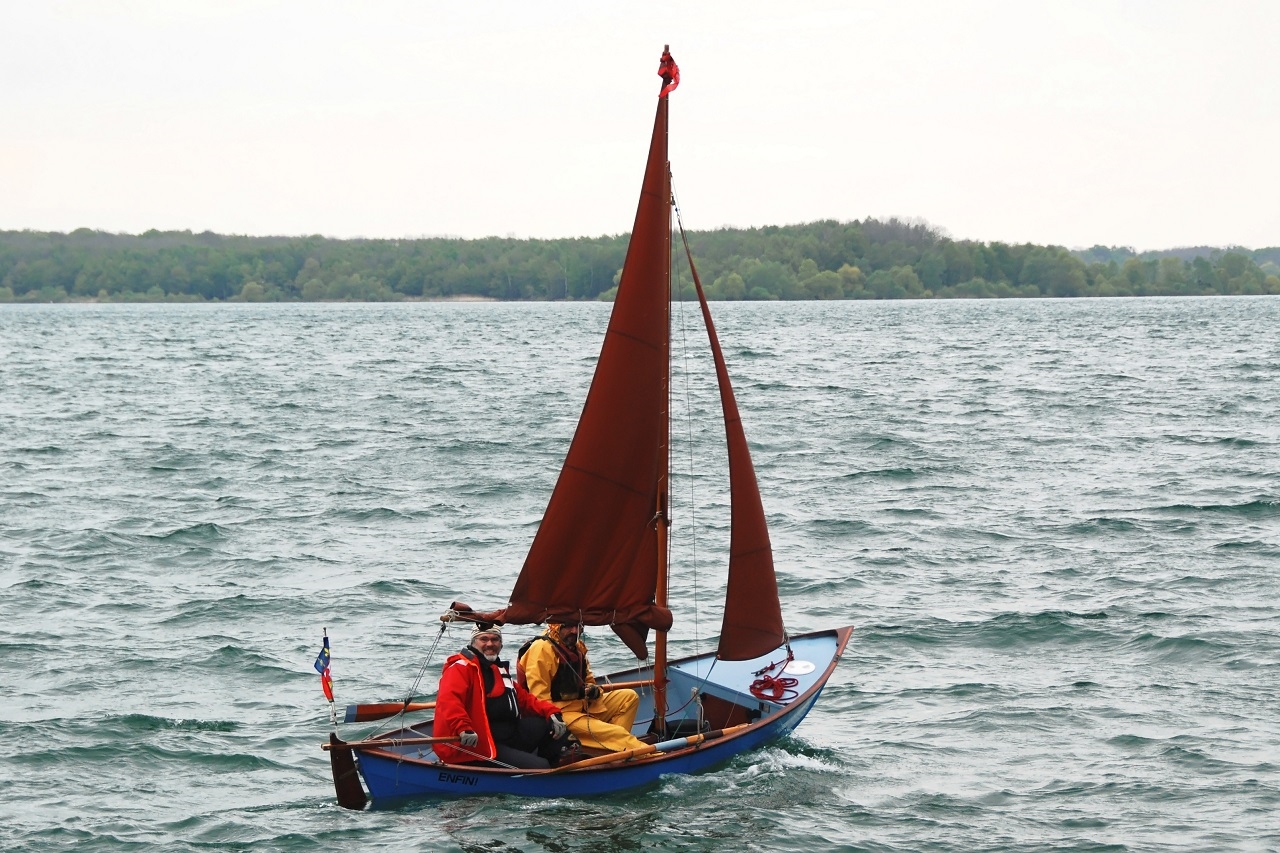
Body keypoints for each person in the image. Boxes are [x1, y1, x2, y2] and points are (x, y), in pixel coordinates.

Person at [432, 623, 570, 769]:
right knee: (540, 766)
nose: (490, 644)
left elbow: (525, 699)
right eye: (484, 639)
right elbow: (449, 701)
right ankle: (542, 772)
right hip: (478, 745)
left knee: (557, 726)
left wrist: (552, 712)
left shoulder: (498, 669)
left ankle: (555, 767)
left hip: (507, 736)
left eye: (495, 639)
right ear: (473, 643)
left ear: (501, 645)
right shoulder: (460, 668)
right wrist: (462, 727)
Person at [519, 622, 646, 753]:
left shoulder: (576, 646)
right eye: (568, 626)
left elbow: (590, 681)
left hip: (582, 706)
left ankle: (612, 751)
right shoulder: (542, 649)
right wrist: (555, 719)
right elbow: (539, 699)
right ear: (555, 626)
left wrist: (594, 691)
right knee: (615, 732)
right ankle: (644, 753)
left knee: (629, 698)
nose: (575, 631)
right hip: (561, 715)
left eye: (578, 626)